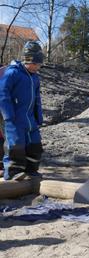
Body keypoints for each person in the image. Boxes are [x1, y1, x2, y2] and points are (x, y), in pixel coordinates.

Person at [0, 41, 44, 180]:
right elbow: (2, 93)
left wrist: (39, 117)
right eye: (36, 64)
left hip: (30, 118)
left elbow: (37, 98)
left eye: (39, 64)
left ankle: (31, 170)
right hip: (14, 118)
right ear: (28, 60)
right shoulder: (12, 73)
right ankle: (13, 172)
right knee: (16, 145)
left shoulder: (35, 77)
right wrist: (7, 115)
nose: (38, 67)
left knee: (35, 145)